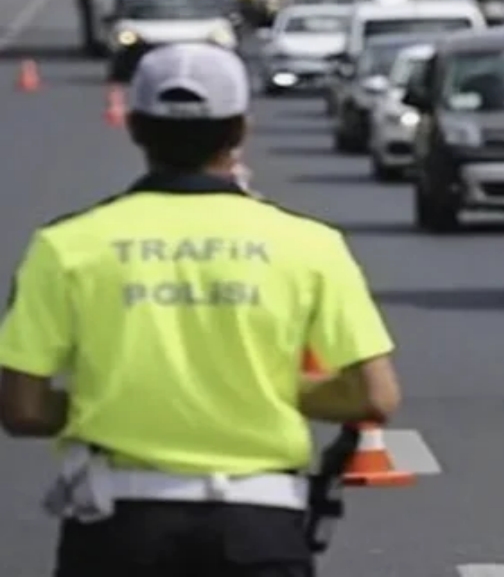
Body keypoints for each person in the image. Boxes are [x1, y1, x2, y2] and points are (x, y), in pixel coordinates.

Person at [0, 42, 402, 576]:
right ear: (239, 131)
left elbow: (22, 407)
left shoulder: (67, 246)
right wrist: (264, 389)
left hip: (119, 525)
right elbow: (374, 395)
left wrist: (118, 399)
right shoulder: (309, 245)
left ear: (135, 127)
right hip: (260, 524)